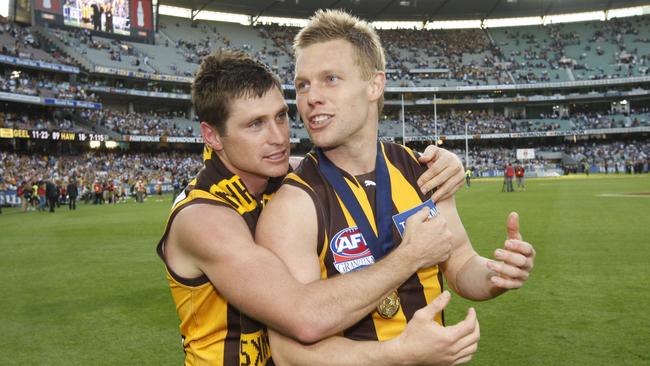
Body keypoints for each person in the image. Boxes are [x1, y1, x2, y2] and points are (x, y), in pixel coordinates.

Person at [256, 9, 535, 365]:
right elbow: (289, 353)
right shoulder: (293, 205)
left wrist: (497, 273)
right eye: (303, 84)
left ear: (374, 85)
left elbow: (461, 264)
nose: (311, 97)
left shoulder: (422, 171)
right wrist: (397, 355)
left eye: (330, 79)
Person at [157, 50, 467, 365]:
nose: (278, 137)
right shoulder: (204, 218)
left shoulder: (279, 175)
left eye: (280, 116)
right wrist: (411, 255)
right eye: (255, 125)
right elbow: (304, 317)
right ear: (212, 135)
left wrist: (445, 161)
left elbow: (349, 161)